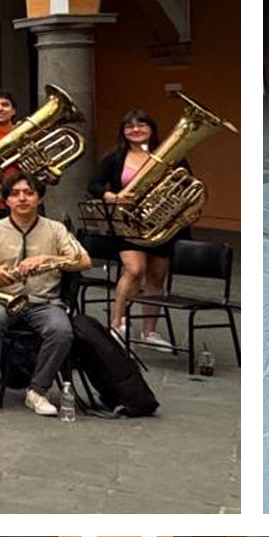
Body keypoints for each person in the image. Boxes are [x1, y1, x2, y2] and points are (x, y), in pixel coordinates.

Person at [0, 176, 88, 419]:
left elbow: (84, 260)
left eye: (29, 193)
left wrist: (48, 259)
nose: (22, 198)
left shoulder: (56, 229)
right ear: (7, 200)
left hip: (43, 302)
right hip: (1, 299)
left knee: (61, 331)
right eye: (16, 193)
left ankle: (37, 391)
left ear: (39, 198)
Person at [91, 108, 180, 353]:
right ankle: (117, 324)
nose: (136, 129)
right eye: (130, 126)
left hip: (160, 225)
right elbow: (94, 184)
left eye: (141, 125)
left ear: (151, 130)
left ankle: (149, 331)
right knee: (134, 269)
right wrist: (112, 196)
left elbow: (186, 181)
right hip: (126, 224)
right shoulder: (115, 158)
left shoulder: (168, 155)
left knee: (156, 278)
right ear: (123, 132)